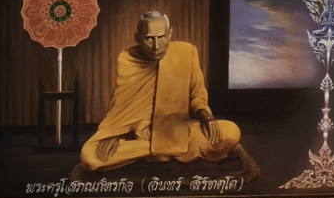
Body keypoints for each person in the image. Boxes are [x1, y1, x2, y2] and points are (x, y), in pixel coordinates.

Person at [78, 11, 257, 181]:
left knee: (231, 132)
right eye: (149, 38)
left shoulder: (187, 53)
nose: (156, 46)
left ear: (170, 34)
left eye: (161, 37)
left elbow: (197, 96)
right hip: (142, 137)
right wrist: (113, 133)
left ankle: (160, 152)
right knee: (89, 156)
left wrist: (206, 117)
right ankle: (164, 151)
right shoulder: (127, 59)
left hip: (178, 130)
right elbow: (120, 107)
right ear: (137, 38)